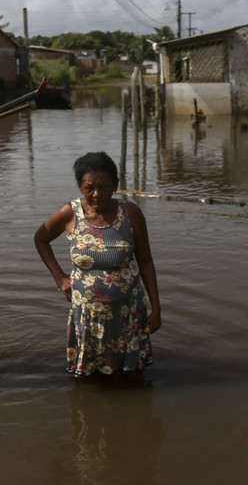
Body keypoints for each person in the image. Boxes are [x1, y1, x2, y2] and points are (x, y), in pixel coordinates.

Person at [34, 152, 161, 376]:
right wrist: (60, 278)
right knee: (89, 376)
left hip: (127, 312)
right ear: (80, 187)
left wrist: (156, 307)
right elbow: (41, 239)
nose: (96, 194)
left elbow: (146, 261)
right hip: (87, 314)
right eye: (89, 187)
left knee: (129, 377)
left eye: (103, 187)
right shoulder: (69, 213)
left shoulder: (131, 213)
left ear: (115, 185)